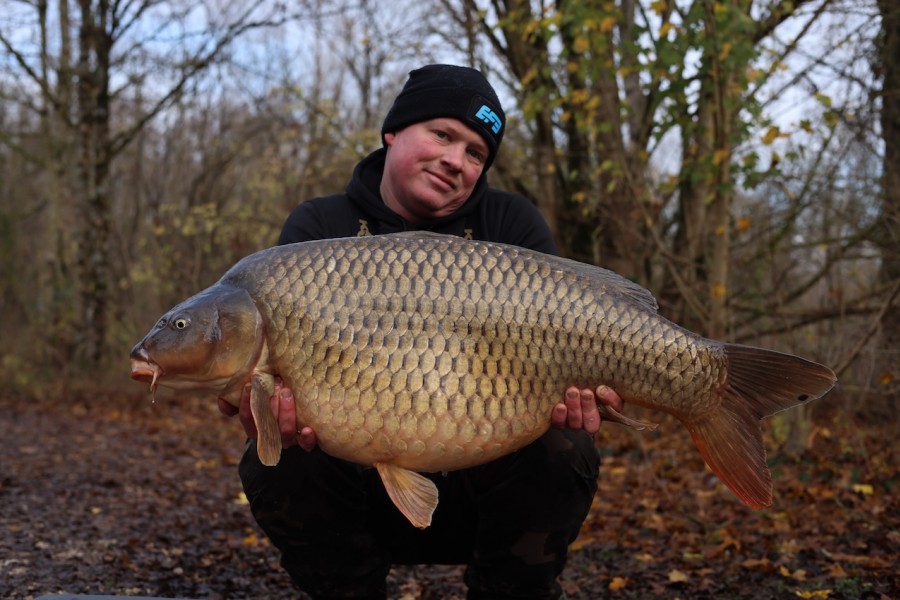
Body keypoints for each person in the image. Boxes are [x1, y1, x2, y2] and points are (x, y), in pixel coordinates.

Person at [220, 64, 624, 600]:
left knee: (566, 443)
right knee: (279, 455)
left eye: (476, 153)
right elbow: (268, 387)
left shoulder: (512, 226)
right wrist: (261, 411)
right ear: (393, 131)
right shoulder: (318, 230)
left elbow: (564, 351)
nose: (456, 160)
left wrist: (587, 400)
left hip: (486, 484)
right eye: (442, 134)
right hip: (355, 489)